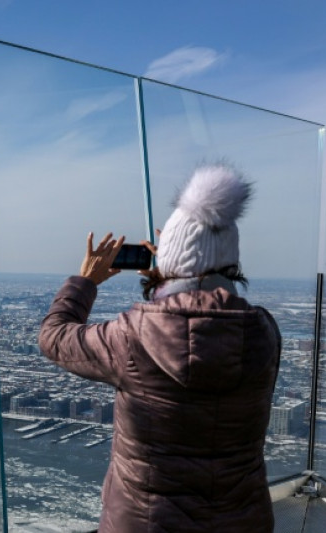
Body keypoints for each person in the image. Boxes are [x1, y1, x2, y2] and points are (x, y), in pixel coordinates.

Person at [38, 163, 281, 532]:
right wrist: (173, 274)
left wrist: (86, 280)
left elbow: (54, 337)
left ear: (168, 262)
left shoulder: (134, 336)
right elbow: (207, 320)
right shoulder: (264, 332)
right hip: (241, 521)